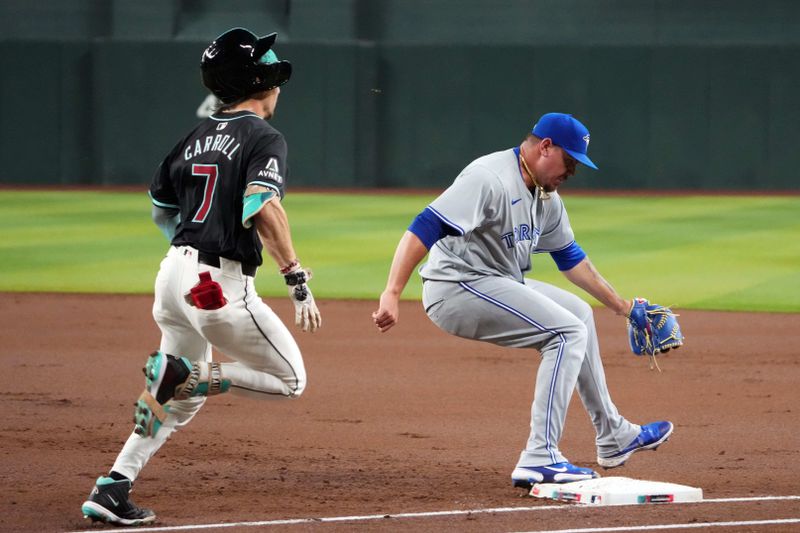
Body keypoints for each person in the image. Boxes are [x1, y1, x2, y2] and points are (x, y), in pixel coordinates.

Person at [81, 27, 321, 526]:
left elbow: (160, 209)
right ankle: (185, 377)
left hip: (173, 277)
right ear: (262, 82)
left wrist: (189, 253)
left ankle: (113, 486)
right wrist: (295, 275)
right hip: (216, 285)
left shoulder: (192, 137)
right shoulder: (263, 136)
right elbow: (262, 206)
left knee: (177, 398)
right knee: (291, 379)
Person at [372, 112, 673, 488]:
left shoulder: (547, 197)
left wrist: (623, 307)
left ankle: (613, 435)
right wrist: (392, 292)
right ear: (545, 147)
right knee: (566, 333)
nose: (572, 173)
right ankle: (540, 456)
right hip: (456, 287)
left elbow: (570, 258)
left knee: (577, 314)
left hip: (494, 282)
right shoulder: (489, 178)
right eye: (571, 161)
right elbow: (425, 225)